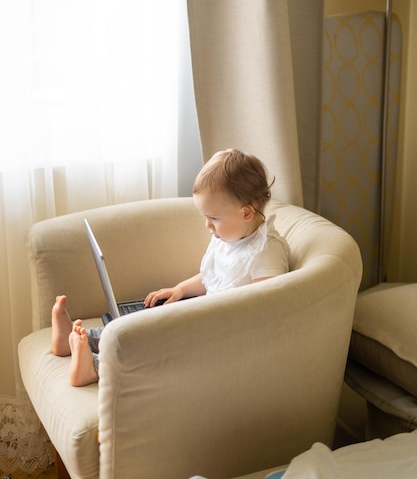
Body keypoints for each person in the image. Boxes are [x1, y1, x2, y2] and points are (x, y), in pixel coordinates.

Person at [51, 148, 290, 386]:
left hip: (223, 337)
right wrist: (181, 290)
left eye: (214, 218)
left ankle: (94, 368)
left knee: (155, 347)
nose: (208, 225)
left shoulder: (266, 251)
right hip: (204, 318)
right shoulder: (230, 235)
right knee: (140, 325)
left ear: (246, 212)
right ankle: (73, 339)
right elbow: (213, 277)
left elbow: (264, 307)